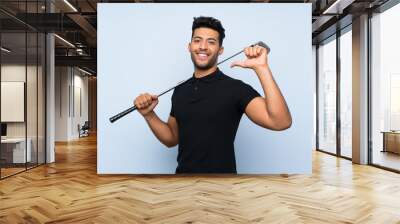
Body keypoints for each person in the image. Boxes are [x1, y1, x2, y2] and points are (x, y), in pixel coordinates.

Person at [133, 16, 292, 174]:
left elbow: (280, 122)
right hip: (182, 183)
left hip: (221, 186)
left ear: (220, 50)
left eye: (211, 42)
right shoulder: (180, 90)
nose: (203, 46)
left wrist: (262, 68)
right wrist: (149, 115)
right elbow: (172, 138)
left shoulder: (235, 89)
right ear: (189, 46)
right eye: (197, 40)